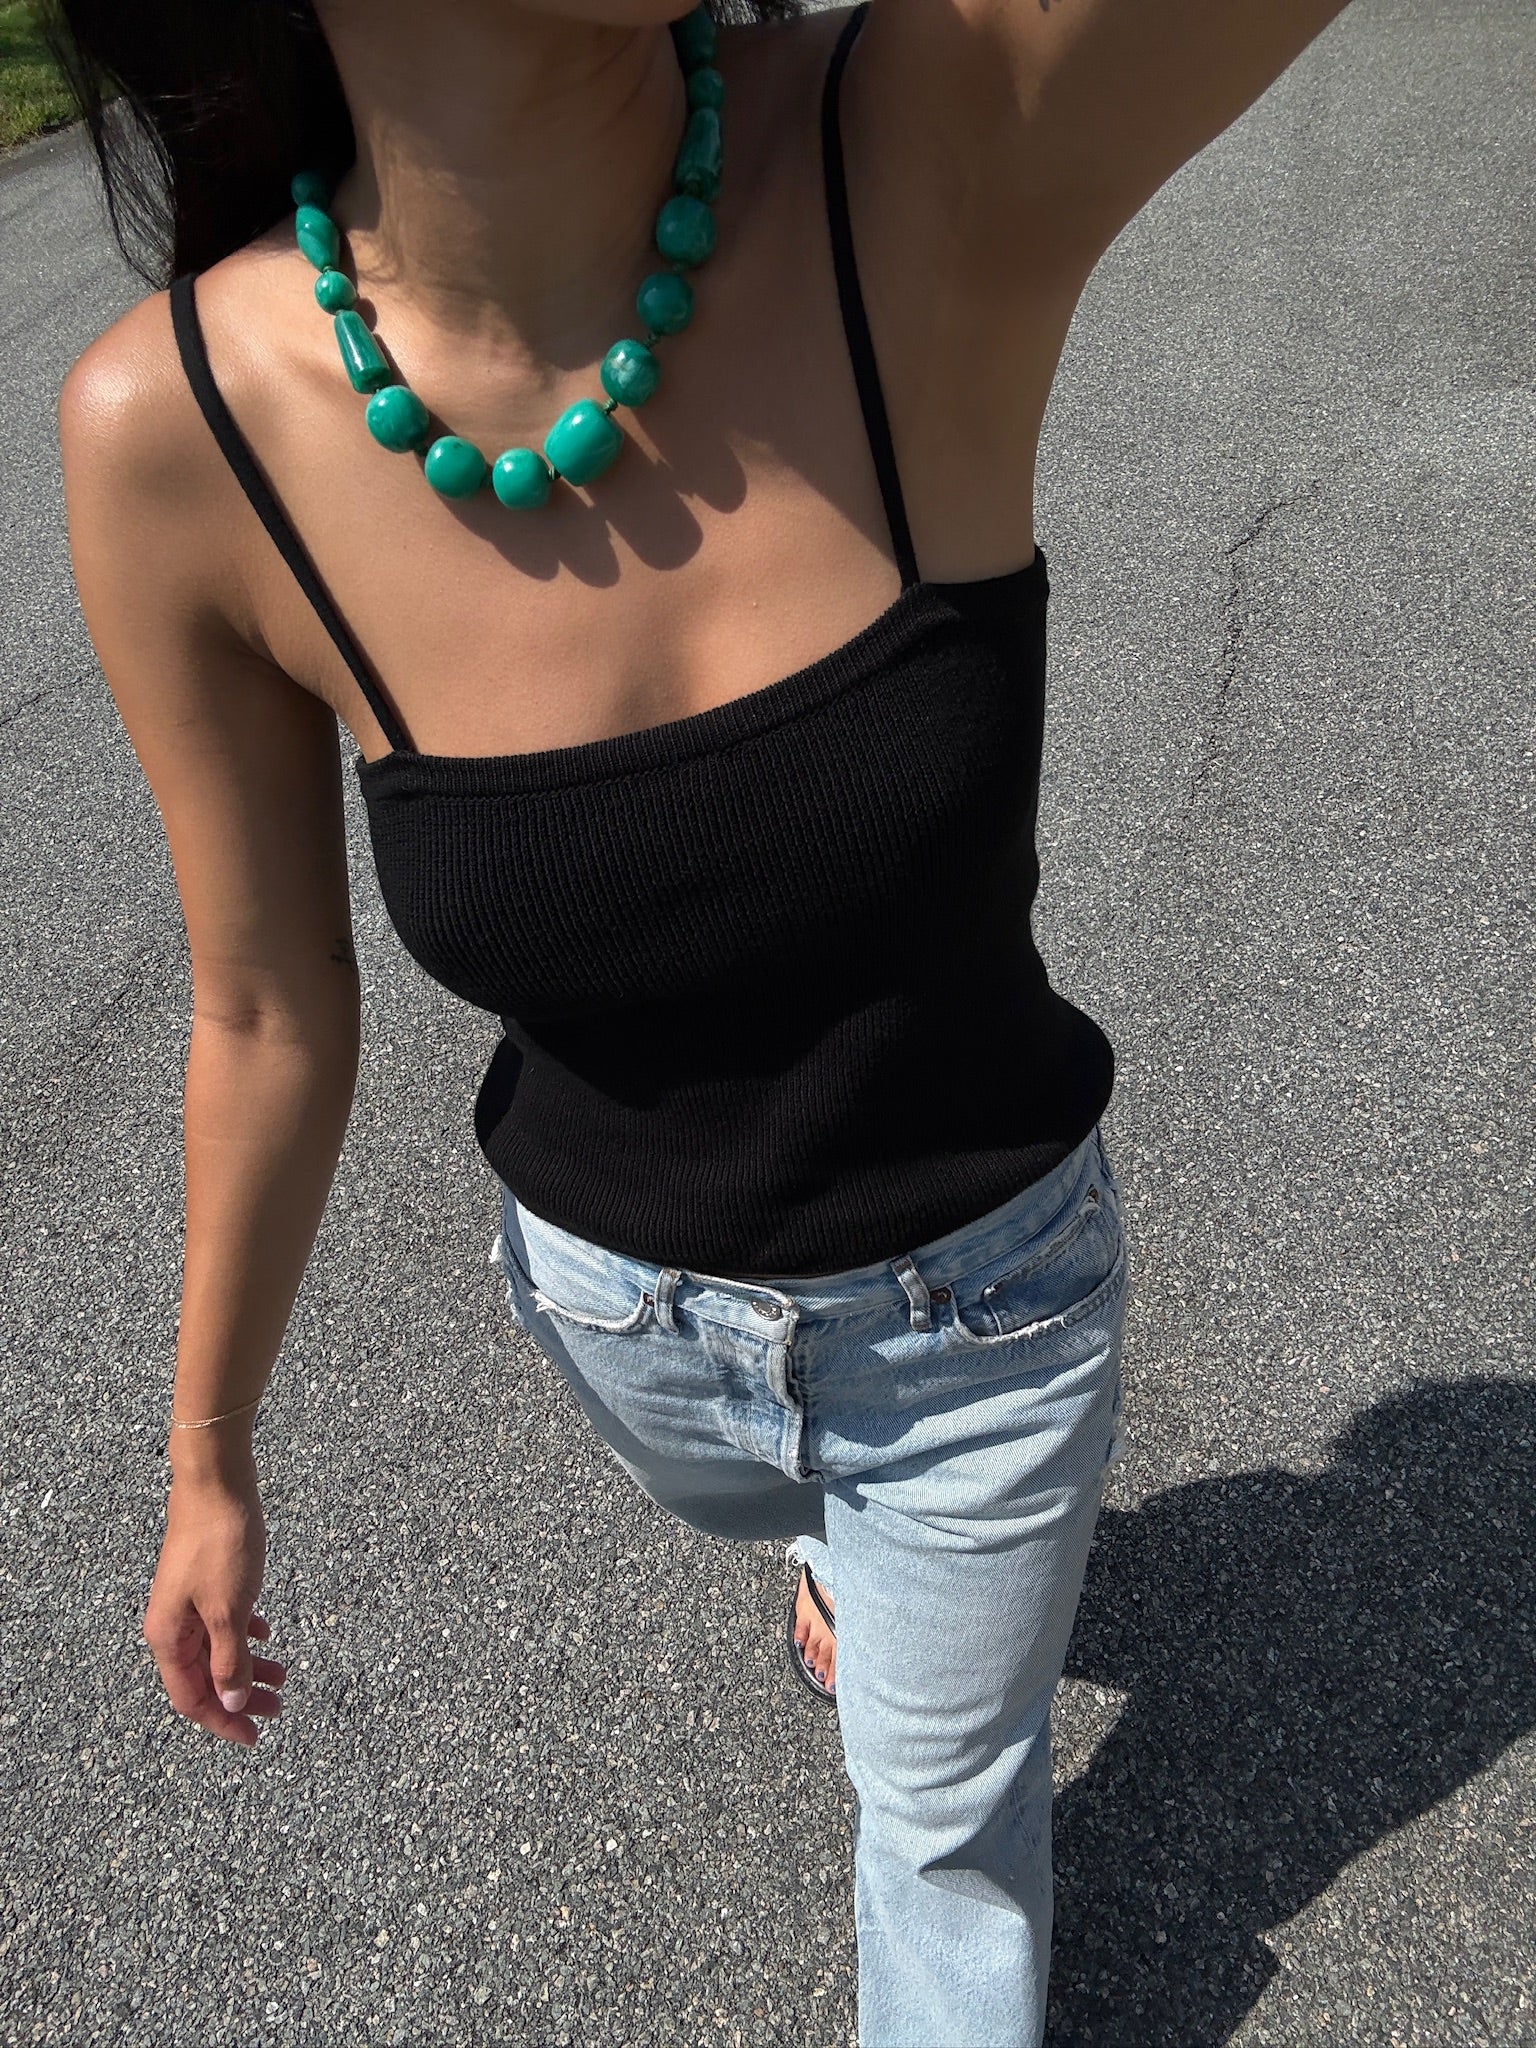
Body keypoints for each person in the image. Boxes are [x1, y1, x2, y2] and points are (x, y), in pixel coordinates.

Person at [53, 0, 1353, 2038]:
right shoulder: (177, 426)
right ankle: (831, 1542)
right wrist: (206, 1456)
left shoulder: (914, 142)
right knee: (787, 1516)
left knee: (941, 1830)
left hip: (982, 1324)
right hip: (620, 1320)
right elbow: (265, 1004)